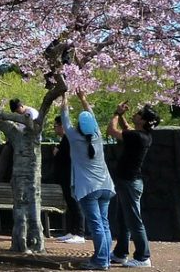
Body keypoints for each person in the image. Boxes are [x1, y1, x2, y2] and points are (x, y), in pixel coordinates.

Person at [60, 91, 115, 271]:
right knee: (104, 224)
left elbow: (65, 118)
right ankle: (104, 258)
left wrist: (65, 98)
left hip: (88, 188)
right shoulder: (97, 135)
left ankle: (101, 261)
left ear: (79, 126)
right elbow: (91, 116)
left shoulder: (74, 137)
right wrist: (84, 99)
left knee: (97, 225)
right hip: (106, 186)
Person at [107, 101, 160, 267]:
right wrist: (122, 116)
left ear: (143, 121)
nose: (135, 114)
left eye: (139, 113)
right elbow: (128, 129)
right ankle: (120, 253)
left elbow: (111, 131)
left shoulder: (137, 137)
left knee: (134, 221)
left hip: (129, 182)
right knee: (123, 219)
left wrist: (116, 114)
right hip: (128, 181)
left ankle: (143, 257)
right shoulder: (142, 135)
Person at [51, 116, 86, 244]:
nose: (55, 129)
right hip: (65, 176)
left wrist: (56, 153)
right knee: (70, 204)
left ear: (62, 125)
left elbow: (64, 157)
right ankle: (72, 231)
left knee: (74, 203)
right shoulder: (67, 138)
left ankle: (80, 232)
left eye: (56, 126)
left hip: (70, 175)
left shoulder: (69, 138)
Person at [0, 98, 40, 181]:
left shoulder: (31, 113)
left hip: (29, 140)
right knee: (5, 152)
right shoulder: (21, 114)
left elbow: (27, 130)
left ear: (21, 106)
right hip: (19, 139)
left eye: (17, 110)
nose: (17, 112)